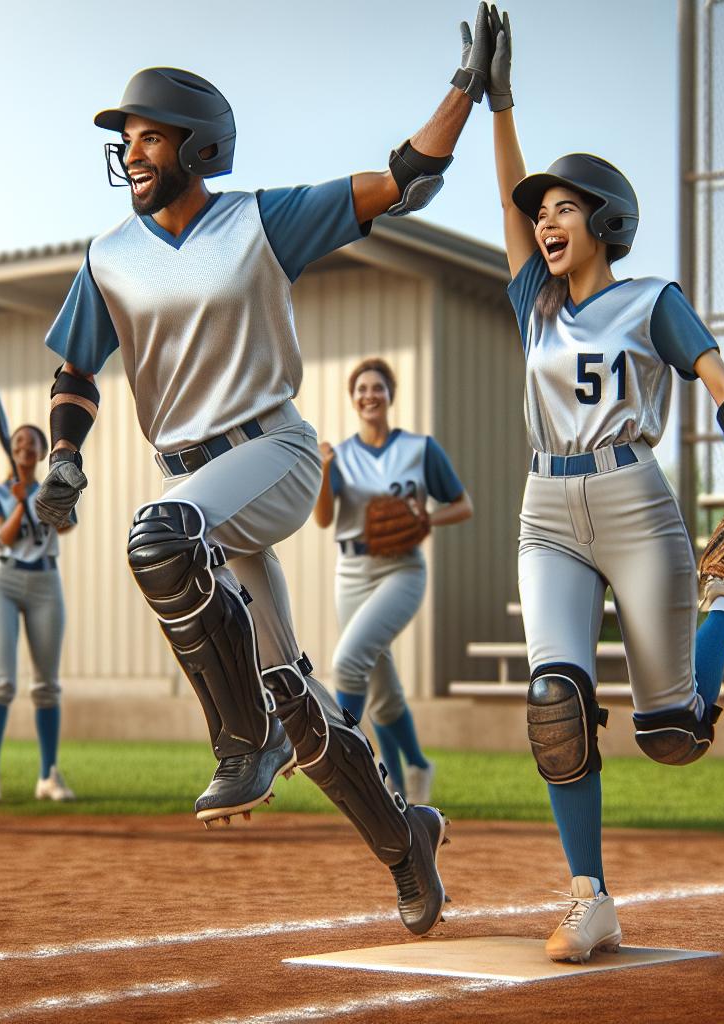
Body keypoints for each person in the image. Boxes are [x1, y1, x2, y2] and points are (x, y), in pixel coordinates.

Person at [34, 6, 494, 936]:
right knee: (291, 687)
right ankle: (407, 843)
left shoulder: (259, 221)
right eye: (125, 140)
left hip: (271, 455)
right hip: (200, 488)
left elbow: (401, 180)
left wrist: (464, 90)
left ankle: (236, 742)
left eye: (149, 137)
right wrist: (63, 458)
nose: (131, 154)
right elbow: (76, 371)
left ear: (198, 148)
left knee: (158, 535)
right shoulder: (109, 258)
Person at [485, 6, 724, 961]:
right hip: (546, 513)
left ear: (604, 220)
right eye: (541, 212)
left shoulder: (652, 299)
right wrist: (500, 102)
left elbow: (717, 376)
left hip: (635, 506)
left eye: (563, 207)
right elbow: (505, 207)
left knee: (672, 734)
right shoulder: (534, 306)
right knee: (555, 705)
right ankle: (590, 898)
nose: (544, 221)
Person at [314, 358, 472, 805]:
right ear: (353, 399)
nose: (369, 394)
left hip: (402, 570)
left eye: (377, 387)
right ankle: (409, 776)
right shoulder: (340, 455)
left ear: (389, 395)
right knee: (382, 691)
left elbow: (463, 504)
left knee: (347, 663)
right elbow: (324, 519)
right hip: (352, 572)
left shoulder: (420, 449)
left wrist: (429, 518)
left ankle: (345, 768)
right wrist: (324, 471)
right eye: (361, 388)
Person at [0, 424, 75, 805]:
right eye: (19, 442)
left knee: (46, 685)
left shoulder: (53, 488)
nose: (25, 447)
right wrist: (19, 502)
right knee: (1, 683)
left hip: (46, 582)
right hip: (4, 580)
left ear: (41, 451)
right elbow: (4, 537)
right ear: (12, 449)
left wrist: (40, 498)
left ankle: (49, 774)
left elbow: (62, 526)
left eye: (33, 443)